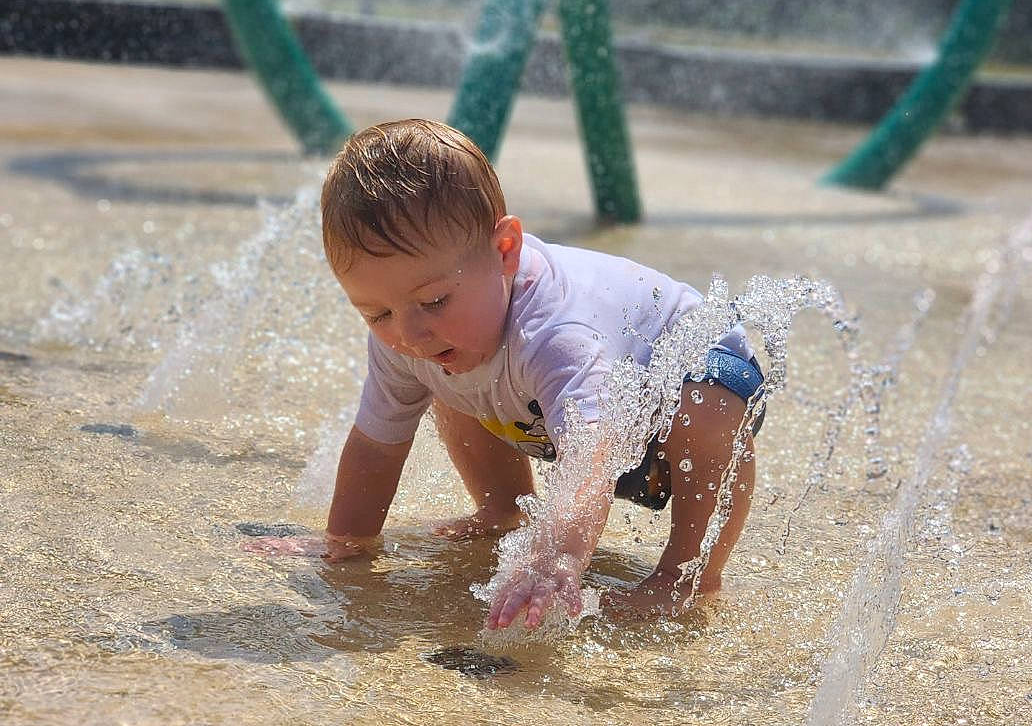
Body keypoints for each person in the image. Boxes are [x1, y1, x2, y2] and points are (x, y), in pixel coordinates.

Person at [260, 118, 764, 631]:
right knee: (446, 368)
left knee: (709, 402)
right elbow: (376, 445)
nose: (408, 332)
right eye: (377, 314)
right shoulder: (417, 334)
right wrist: (346, 542)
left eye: (434, 300)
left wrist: (558, 559)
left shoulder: (558, 331)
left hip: (668, 386)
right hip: (551, 416)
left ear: (505, 251)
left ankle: (688, 577)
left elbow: (594, 452)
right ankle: (502, 509)